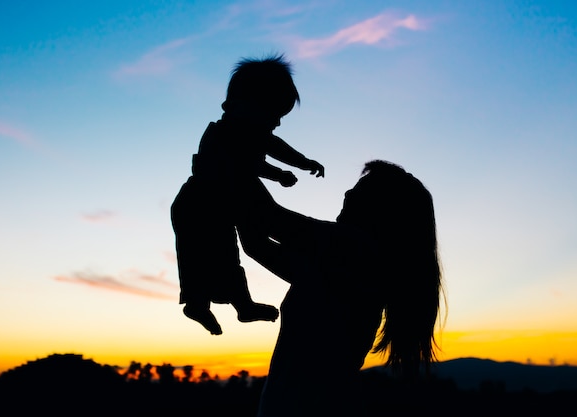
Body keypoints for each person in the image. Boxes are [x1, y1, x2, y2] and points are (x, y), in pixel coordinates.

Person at [244, 160, 445, 417]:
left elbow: (267, 217)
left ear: (380, 208)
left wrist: (234, 159)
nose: (348, 193)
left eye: (360, 190)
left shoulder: (352, 247)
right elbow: (255, 244)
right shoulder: (342, 263)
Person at [170, 54, 325, 335]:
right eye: (273, 114)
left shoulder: (248, 131)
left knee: (220, 255)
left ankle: (233, 305)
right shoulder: (227, 134)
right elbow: (247, 162)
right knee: (207, 255)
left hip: (211, 202)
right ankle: (204, 303)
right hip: (202, 202)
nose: (276, 123)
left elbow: (275, 148)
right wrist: (281, 174)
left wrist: (303, 164)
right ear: (242, 105)